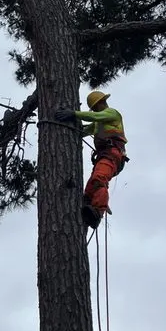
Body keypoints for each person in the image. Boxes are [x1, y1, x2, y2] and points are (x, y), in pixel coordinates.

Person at [55, 91, 128, 228]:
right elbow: (84, 131)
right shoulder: (97, 123)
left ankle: (98, 212)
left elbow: (94, 116)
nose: (94, 110)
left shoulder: (112, 113)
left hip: (113, 154)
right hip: (104, 155)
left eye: (95, 107)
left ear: (101, 103)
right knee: (89, 190)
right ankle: (88, 209)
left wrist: (74, 113)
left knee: (99, 179)